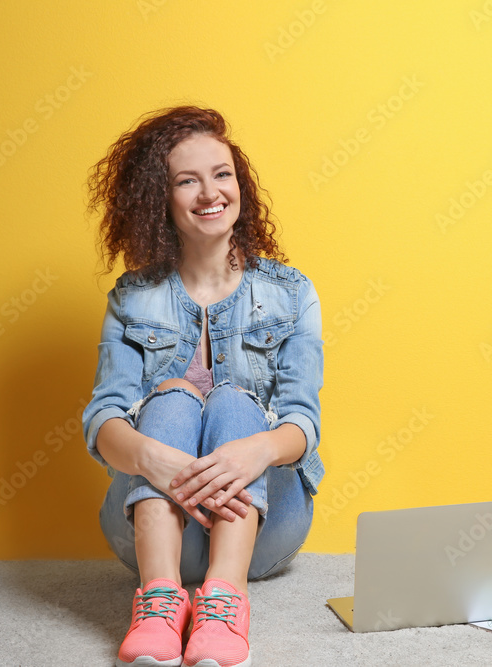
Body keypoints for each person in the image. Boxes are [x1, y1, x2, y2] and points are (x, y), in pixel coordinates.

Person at [82, 106, 325, 667]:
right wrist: (152, 458)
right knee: (169, 397)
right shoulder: (130, 298)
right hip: (146, 532)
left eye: (221, 174)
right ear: (158, 198)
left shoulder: (291, 293)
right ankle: (160, 600)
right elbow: (103, 418)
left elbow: (302, 421)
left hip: (261, 532)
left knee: (236, 401)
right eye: (185, 181)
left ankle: (224, 598)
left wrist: (257, 447)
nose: (210, 192)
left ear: (239, 185)